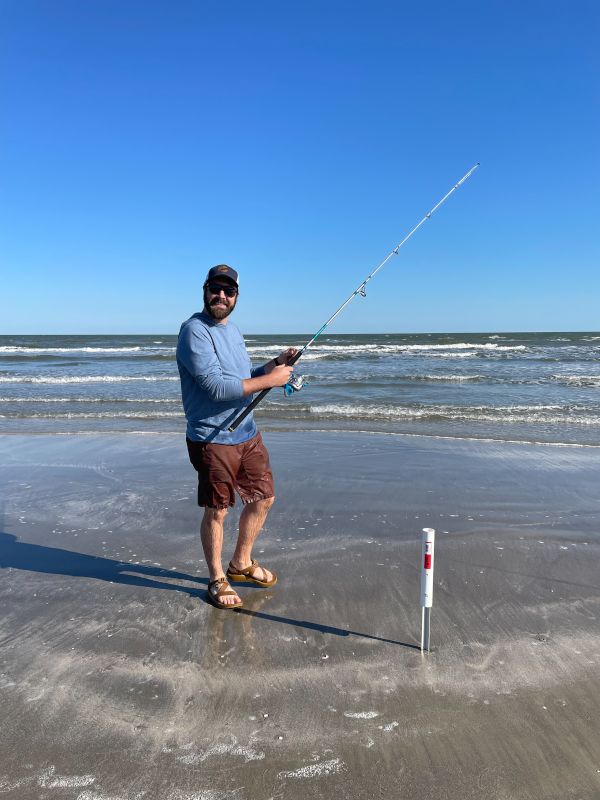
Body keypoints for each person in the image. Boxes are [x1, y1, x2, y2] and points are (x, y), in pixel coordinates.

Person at [176, 264, 297, 609]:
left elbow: (242, 377)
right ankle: (217, 578)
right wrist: (271, 381)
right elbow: (216, 387)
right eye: (216, 289)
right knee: (218, 511)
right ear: (205, 290)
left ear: (236, 297)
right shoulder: (194, 332)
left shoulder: (233, 330)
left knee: (263, 497)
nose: (222, 296)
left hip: (246, 432)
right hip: (212, 438)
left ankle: (241, 563)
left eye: (229, 292)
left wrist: (274, 364)